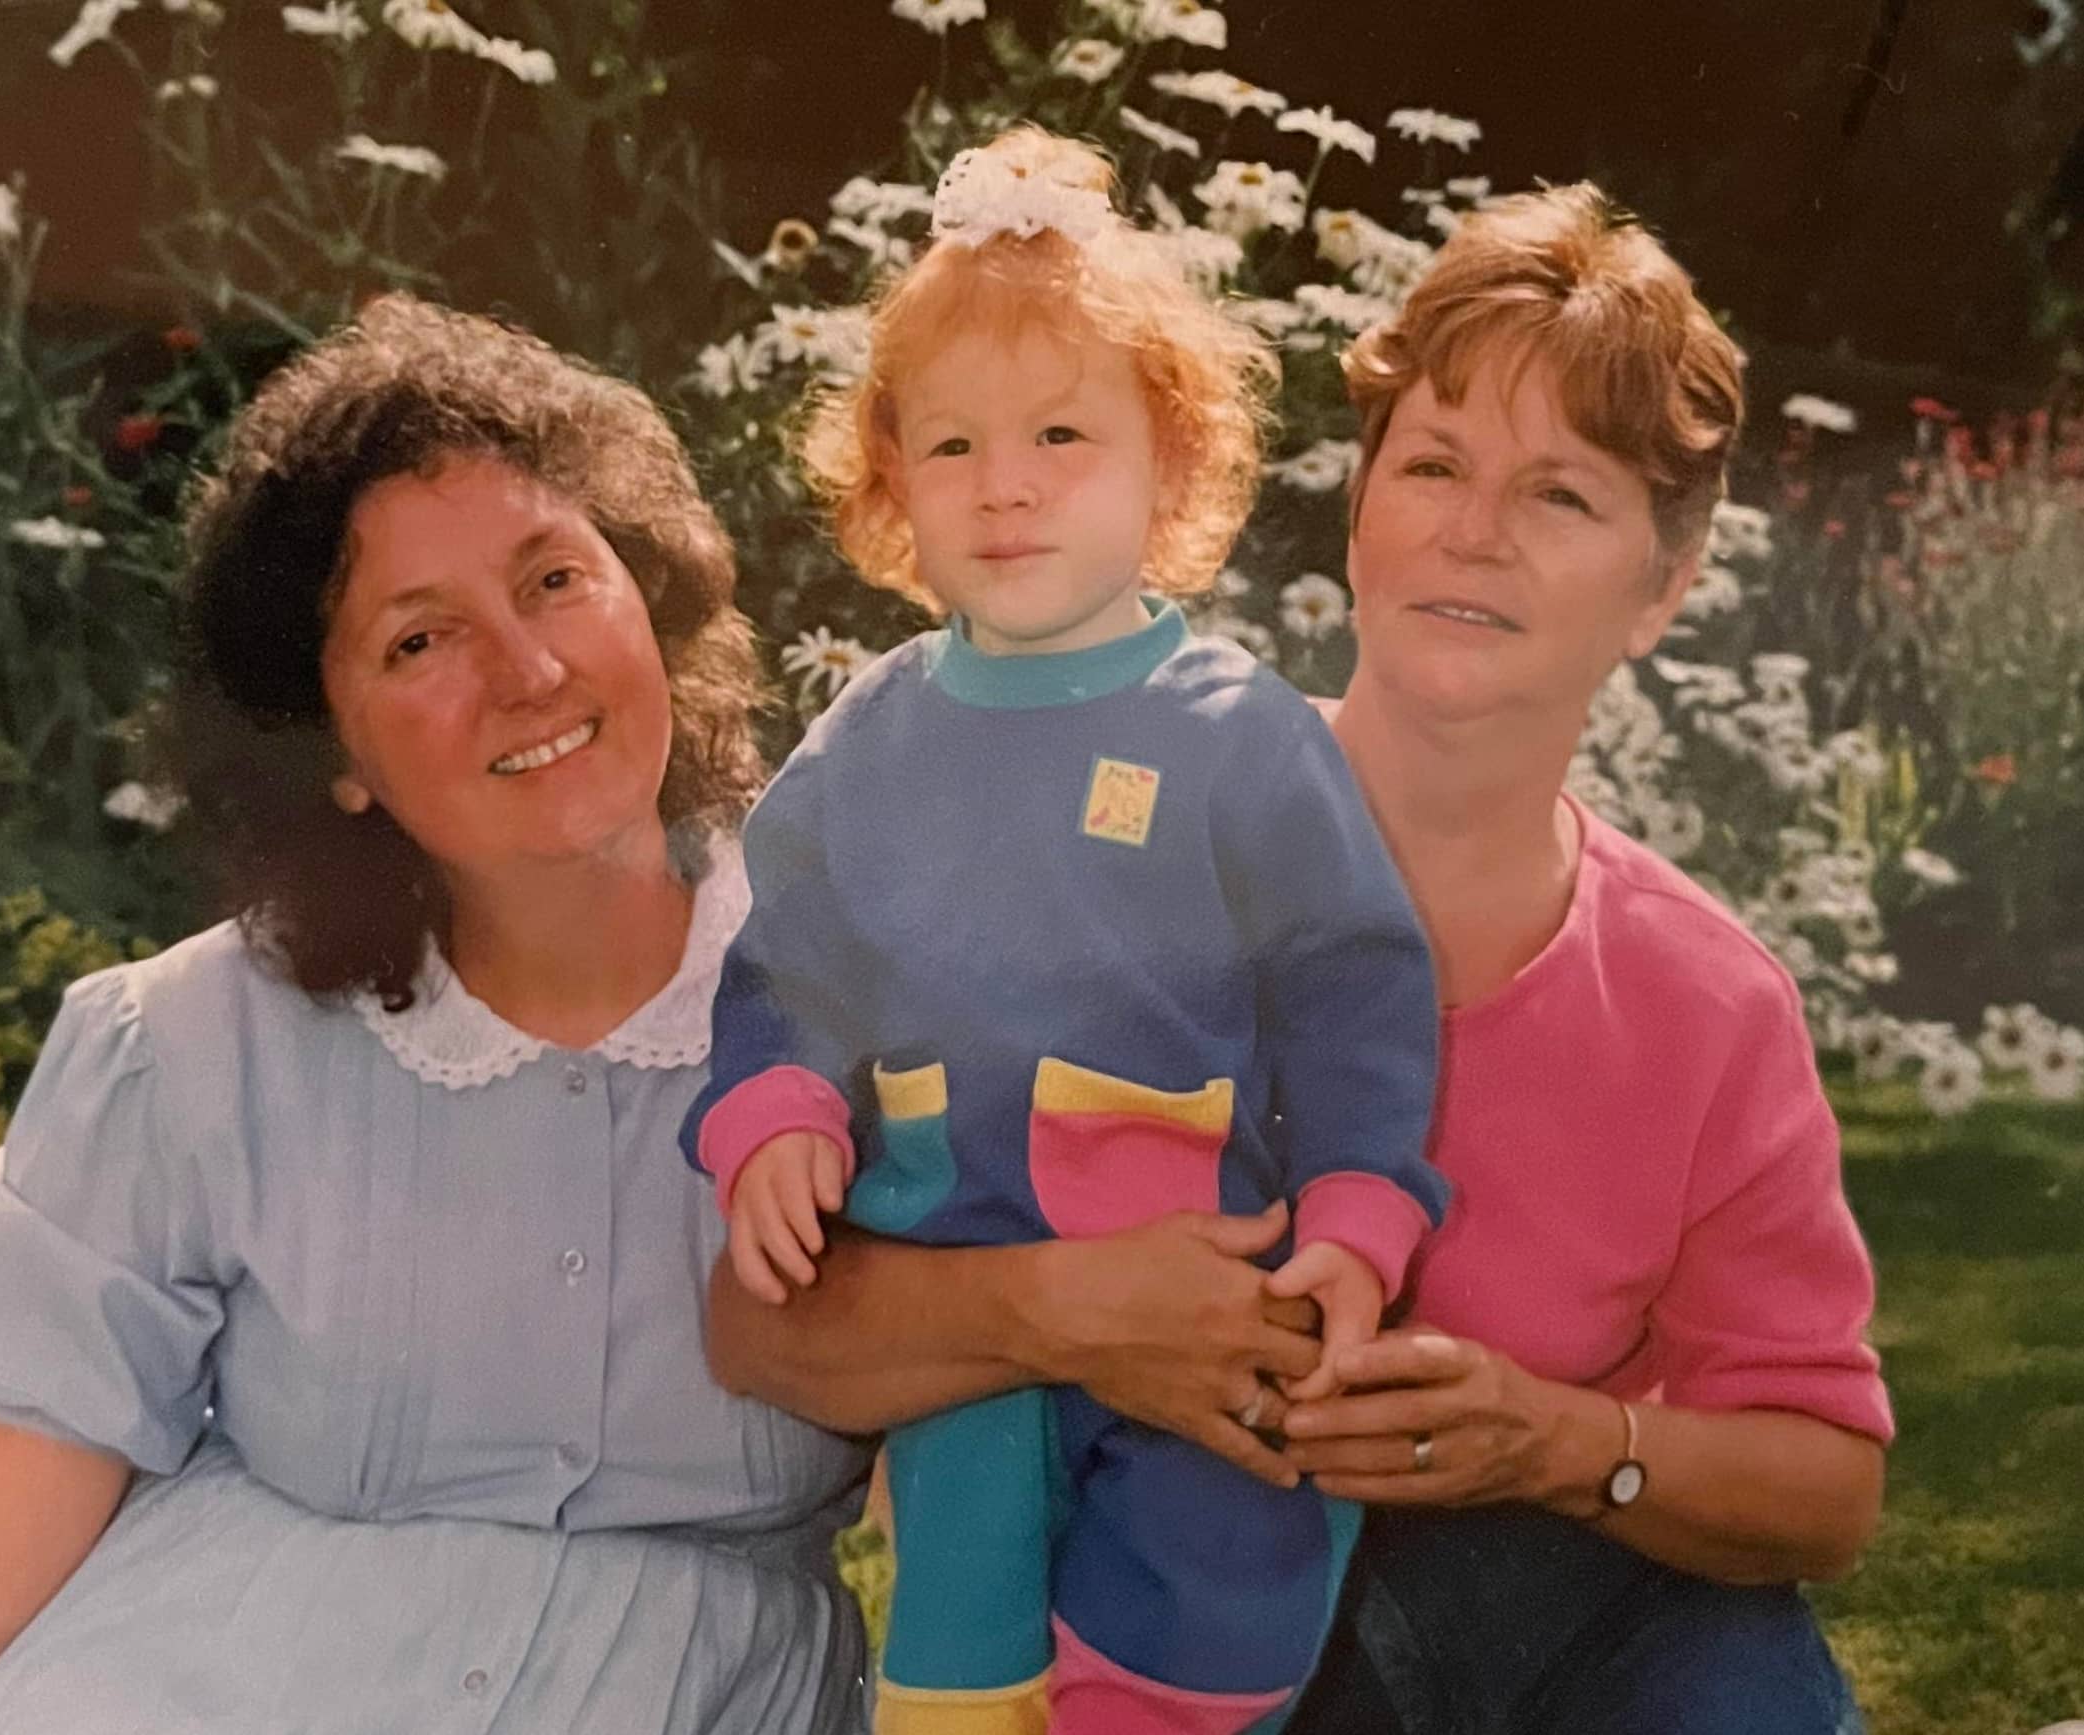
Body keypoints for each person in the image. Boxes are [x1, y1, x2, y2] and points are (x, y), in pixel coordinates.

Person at [704, 184, 1891, 1735]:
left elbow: (1823, 1490)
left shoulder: (1703, 1003)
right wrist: (1059, 1310)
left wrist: (1557, 1440)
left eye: (1558, 495)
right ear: (1359, 512)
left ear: (1659, 587)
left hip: (1575, 1606)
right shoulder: (1072, 824)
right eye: (1433, 466)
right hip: (1190, 1609)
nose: (1472, 530)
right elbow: (760, 1325)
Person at [0, 294, 871, 1735]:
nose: (528, 671)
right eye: (420, 642)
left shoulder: (864, 1003)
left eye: (555, 579)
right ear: (333, 753)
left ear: (650, 601)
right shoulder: (187, 1054)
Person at [680, 128, 1446, 1735]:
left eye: (1058, 435)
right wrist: (778, 1113)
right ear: (890, 479)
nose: (1004, 482)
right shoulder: (870, 739)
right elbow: (788, 966)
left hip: (1197, 1285)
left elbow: (1354, 993)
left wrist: (1360, 1203)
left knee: (1206, 1636)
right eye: (950, 444)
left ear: (1170, 458)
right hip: (960, 1297)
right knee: (957, 1660)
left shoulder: (1235, 732)